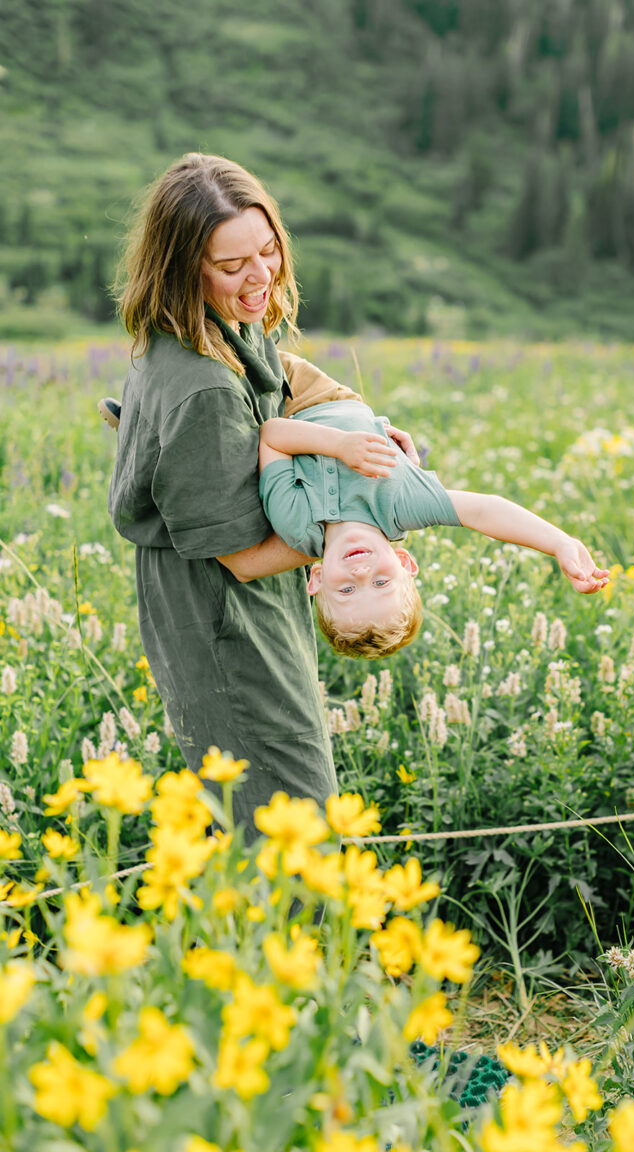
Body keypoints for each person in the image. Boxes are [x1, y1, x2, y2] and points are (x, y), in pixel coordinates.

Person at [107, 152, 362, 842]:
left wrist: (350, 420)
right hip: (224, 612)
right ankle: (288, 947)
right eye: (231, 266)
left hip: (215, 597)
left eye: (268, 250)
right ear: (183, 266)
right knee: (291, 809)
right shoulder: (203, 387)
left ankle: (260, 943)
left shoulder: (201, 327)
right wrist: (358, 525)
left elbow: (276, 372)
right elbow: (244, 558)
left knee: (249, 808)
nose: (260, 277)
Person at [255, 399, 610, 658]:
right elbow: (484, 511)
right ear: (405, 562)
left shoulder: (294, 521)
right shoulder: (402, 507)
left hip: (292, 399)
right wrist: (559, 543)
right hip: (336, 394)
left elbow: (271, 434)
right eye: (380, 583)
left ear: (315, 580)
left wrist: (338, 445)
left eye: (347, 589)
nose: (361, 572)